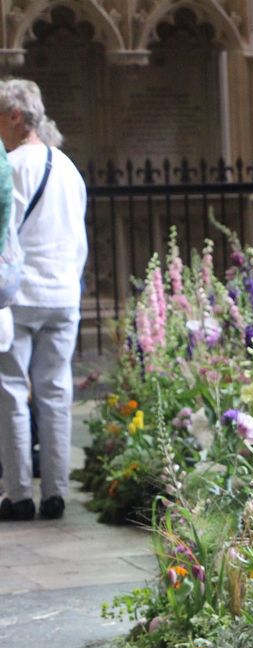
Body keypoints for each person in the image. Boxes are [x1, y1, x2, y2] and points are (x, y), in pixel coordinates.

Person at [0, 79, 87, 522]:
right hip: (63, 295)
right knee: (55, 392)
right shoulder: (68, 168)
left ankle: (18, 496)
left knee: (12, 392)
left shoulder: (9, 167)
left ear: (15, 116)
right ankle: (56, 494)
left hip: (19, 297)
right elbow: (80, 240)